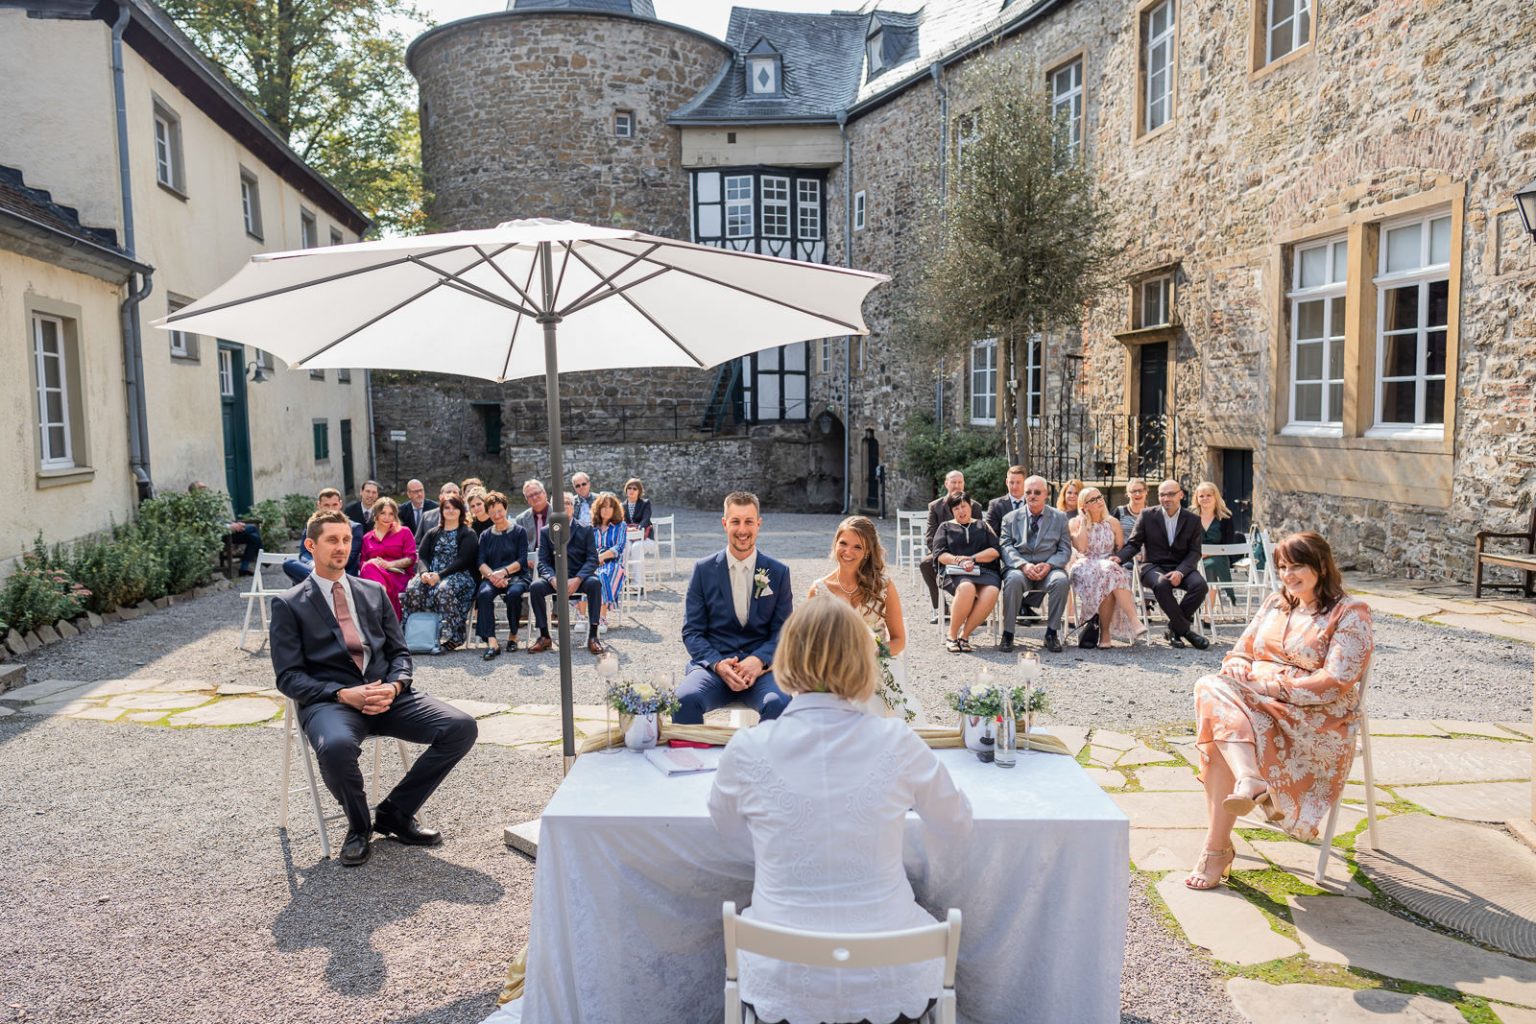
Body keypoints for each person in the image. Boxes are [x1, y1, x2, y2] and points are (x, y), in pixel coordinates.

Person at [708, 597, 972, 1024]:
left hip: (783, 975)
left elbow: (724, 827)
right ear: (860, 659)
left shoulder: (749, 748)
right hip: (890, 973)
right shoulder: (897, 742)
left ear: (787, 656)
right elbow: (957, 824)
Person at [269, 509, 477, 867]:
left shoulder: (374, 591)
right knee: (334, 748)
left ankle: (396, 812)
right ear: (310, 545)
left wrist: (396, 687)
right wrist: (339, 694)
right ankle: (359, 826)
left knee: (461, 727)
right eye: (332, 540)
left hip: (387, 695)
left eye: (346, 540)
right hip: (332, 702)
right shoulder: (289, 604)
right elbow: (288, 676)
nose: (341, 547)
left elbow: (399, 652)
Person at [1185, 532, 1373, 890]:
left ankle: (1219, 846)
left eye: (1297, 566)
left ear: (1321, 565)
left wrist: (1272, 686)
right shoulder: (1276, 604)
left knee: (1216, 725)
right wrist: (1240, 663)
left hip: (1314, 717)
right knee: (1212, 689)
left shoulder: (1349, 612)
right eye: (1283, 567)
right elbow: (1240, 650)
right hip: (1256, 702)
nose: (1288, 575)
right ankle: (1248, 782)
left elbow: (1335, 681)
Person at [676, 491, 793, 724]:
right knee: (683, 700)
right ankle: (691, 760)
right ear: (724, 523)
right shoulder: (703, 570)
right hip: (714, 670)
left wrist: (758, 660)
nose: (742, 530)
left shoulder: (779, 572)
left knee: (779, 703)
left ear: (758, 524)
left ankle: (763, 760)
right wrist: (718, 664)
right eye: (735, 521)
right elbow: (692, 631)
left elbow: (783, 632)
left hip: (761, 672)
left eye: (749, 521)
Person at [807, 515, 923, 723]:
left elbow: (898, 640)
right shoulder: (818, 590)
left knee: (871, 703)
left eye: (857, 547)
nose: (848, 552)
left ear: (868, 551)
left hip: (877, 667)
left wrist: (873, 651)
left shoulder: (884, 586)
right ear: (835, 543)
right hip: (833, 672)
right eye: (843, 543)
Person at [1110, 479, 1211, 650]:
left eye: (1171, 494)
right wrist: (1119, 558)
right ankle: (1186, 632)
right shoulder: (1148, 515)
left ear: (1181, 495)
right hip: (1152, 567)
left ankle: (1174, 629)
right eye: (1162, 494)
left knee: (1200, 586)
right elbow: (1134, 544)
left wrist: (1180, 571)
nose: (1166, 498)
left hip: (1182, 566)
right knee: (1162, 583)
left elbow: (1195, 552)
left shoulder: (1193, 519)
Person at [997, 475, 1072, 653]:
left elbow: (1065, 550)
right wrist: (1023, 565)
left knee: (1061, 580)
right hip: (1020, 570)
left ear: (1046, 494)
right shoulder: (1010, 518)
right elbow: (1005, 546)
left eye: (1037, 492)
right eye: (1028, 492)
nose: (1032, 496)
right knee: (1013, 579)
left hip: (1049, 569)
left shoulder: (1060, 518)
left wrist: (1049, 565)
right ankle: (1008, 634)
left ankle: (1051, 633)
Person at [528, 492, 605, 655]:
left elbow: (592, 559)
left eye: (568, 503)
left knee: (595, 583)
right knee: (535, 587)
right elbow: (542, 561)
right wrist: (552, 578)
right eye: (560, 504)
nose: (565, 507)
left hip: (579, 577)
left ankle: (593, 636)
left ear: (573, 507)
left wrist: (578, 579)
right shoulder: (546, 531)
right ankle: (544, 636)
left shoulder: (586, 529)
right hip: (555, 578)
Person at [1068, 487, 1145, 649]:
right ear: (1084, 506)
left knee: (1110, 576)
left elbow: (1119, 550)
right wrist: (1083, 520)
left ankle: (1105, 635)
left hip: (1109, 565)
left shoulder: (1113, 522)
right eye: (1093, 500)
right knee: (1110, 573)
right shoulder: (1075, 523)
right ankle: (1133, 620)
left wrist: (1116, 560)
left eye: (1099, 497)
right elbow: (1081, 548)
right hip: (1085, 565)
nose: (1099, 501)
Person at [401, 494, 479, 652]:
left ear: (461, 511)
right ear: (441, 511)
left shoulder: (467, 533)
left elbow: (464, 560)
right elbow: (422, 556)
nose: (450, 511)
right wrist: (423, 573)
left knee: (443, 589)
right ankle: (419, 635)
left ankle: (454, 636)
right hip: (430, 574)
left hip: (459, 574)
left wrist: (439, 575)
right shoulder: (432, 533)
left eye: (454, 508)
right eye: (447, 508)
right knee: (413, 589)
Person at [932, 492, 1002, 654]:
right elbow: (940, 555)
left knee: (992, 591)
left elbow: (995, 550)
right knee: (967, 588)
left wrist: (972, 558)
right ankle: (952, 635)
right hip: (955, 572)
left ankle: (964, 636)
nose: (961, 511)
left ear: (970, 506)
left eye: (964, 506)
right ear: (951, 511)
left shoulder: (982, 526)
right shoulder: (945, 527)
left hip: (983, 570)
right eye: (956, 508)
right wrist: (959, 560)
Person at [919, 470, 984, 625]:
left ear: (964, 484)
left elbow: (979, 536)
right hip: (944, 552)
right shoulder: (935, 507)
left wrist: (965, 556)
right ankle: (941, 609)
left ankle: (973, 605)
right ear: (946, 484)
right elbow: (930, 537)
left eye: (960, 482)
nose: (957, 485)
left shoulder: (975, 506)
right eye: (953, 482)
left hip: (969, 554)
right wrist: (945, 555)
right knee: (925, 563)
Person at [473, 491, 531, 660]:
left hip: (516, 575)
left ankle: (513, 634)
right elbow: (480, 562)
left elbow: (522, 559)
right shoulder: (485, 535)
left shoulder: (519, 532)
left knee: (514, 594)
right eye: (492, 512)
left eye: (499, 511)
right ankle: (492, 642)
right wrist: (493, 576)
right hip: (492, 577)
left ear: (505, 509)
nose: (496, 515)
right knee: (483, 594)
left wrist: (503, 572)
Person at [282, 488, 363, 583]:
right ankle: (320, 582)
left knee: (304, 579)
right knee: (289, 563)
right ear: (319, 505)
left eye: (334, 505)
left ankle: (320, 583)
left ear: (340, 504)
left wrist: (321, 566)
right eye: (326, 505)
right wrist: (313, 565)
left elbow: (348, 559)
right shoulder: (311, 526)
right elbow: (304, 553)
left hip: (342, 574)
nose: (331, 509)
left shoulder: (354, 527)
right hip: (315, 570)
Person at [358, 496, 417, 620]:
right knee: (369, 567)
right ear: (376, 515)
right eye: (383, 513)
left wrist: (390, 564)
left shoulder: (404, 532)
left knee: (370, 572)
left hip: (397, 577)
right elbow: (362, 562)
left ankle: (379, 611)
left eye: (391, 514)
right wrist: (372, 562)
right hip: (373, 576)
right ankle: (383, 607)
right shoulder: (367, 537)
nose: (387, 517)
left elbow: (411, 558)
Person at [189, 482, 261, 576]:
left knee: (253, 537)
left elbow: (221, 520)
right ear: (196, 492)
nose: (206, 490)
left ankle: (244, 568)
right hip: (219, 535)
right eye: (202, 488)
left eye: (206, 487)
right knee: (252, 528)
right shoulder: (197, 508)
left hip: (227, 531)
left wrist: (233, 524)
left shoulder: (210, 504)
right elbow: (210, 525)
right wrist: (230, 527)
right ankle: (263, 558)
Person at [1194, 480, 1237, 615]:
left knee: (1210, 566)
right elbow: (1183, 541)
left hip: (1218, 556)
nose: (1205, 498)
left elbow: (1228, 543)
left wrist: (1207, 554)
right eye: (1201, 496)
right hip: (1193, 555)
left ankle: (1207, 614)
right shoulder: (1189, 516)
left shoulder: (1226, 517)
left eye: (1208, 495)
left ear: (1215, 497)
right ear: (1196, 498)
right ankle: (1192, 610)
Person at [590, 492, 628, 633]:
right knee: (583, 575)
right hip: (593, 562)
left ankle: (601, 618)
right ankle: (583, 616)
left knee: (603, 576)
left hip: (613, 564)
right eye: (603, 507)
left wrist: (601, 557)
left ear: (615, 509)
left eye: (610, 507)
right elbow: (587, 548)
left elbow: (618, 547)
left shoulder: (620, 525)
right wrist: (594, 559)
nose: (606, 510)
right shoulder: (592, 527)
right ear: (598, 509)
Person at [985, 465, 1029, 537]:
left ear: (1025, 483)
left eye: (1018, 482)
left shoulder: (1033, 504)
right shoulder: (995, 505)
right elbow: (991, 536)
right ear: (1006, 482)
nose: (1014, 486)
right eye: (1011, 482)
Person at [514, 479, 552, 559]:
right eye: (530, 496)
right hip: (531, 563)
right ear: (527, 500)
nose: (534, 497)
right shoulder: (521, 520)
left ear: (544, 493)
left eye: (537, 493)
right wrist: (526, 560)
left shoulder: (558, 515)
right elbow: (518, 546)